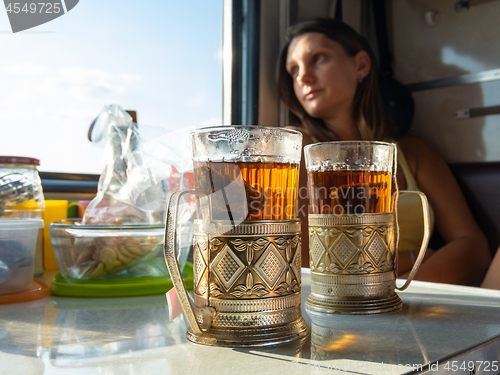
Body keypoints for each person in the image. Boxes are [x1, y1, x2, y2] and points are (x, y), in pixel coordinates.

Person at [276, 18, 491, 285]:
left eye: (317, 58)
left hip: (420, 302)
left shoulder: (412, 153)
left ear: (361, 64)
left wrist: (405, 294)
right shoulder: (293, 148)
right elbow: (306, 265)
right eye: (293, 70)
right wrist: (411, 257)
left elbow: (472, 245)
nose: (303, 77)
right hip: (340, 309)